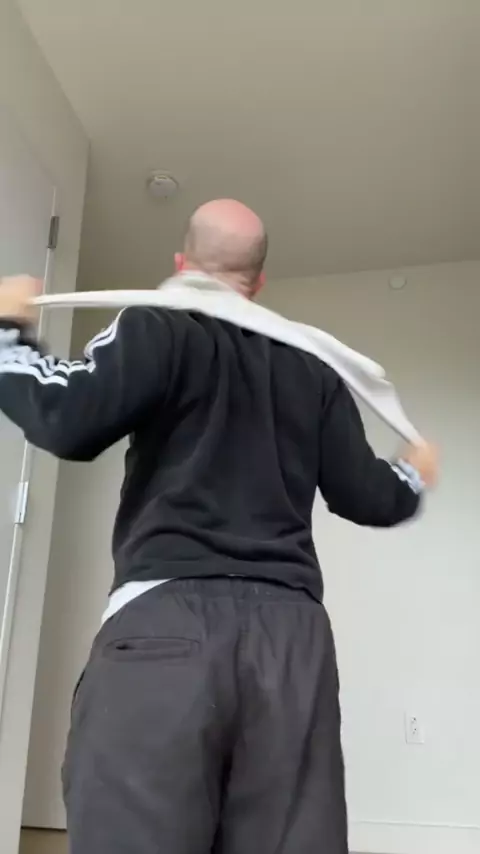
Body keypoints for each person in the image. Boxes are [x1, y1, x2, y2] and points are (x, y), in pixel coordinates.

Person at [0, 200, 438, 854]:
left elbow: (66, 417)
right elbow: (372, 497)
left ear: (182, 262)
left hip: (166, 624)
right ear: (257, 282)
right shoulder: (310, 365)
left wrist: (8, 331)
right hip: (291, 642)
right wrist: (414, 473)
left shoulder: (155, 324)